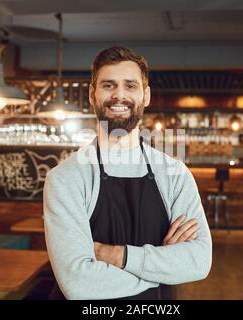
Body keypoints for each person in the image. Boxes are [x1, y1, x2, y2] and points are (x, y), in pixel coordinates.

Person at [44, 46, 212, 300]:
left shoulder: (175, 174)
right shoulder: (65, 178)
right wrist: (163, 266)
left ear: (146, 96)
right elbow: (78, 284)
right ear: (92, 94)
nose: (118, 95)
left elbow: (198, 261)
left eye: (130, 86)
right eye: (108, 85)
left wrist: (114, 255)